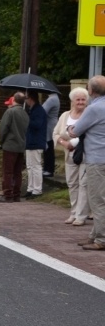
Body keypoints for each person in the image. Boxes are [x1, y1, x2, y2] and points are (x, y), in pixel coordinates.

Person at [68, 75, 105, 250]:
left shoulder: (94, 108)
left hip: (97, 158)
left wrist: (70, 128)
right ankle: (94, 235)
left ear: (91, 91)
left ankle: (101, 239)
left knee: (97, 200)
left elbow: (75, 131)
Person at [53, 87, 90, 226]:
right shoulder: (65, 115)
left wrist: (74, 142)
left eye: (83, 99)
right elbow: (55, 133)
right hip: (69, 154)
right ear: (72, 101)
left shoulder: (89, 114)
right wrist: (64, 143)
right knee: (72, 184)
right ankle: (73, 213)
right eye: (78, 99)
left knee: (84, 184)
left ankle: (81, 216)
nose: (80, 102)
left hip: (86, 154)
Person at [0, 92, 29, 203]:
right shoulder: (25, 113)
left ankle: (7, 195)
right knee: (17, 172)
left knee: (7, 171)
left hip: (10, 145)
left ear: (14, 99)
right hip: (21, 145)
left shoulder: (10, 112)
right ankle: (16, 194)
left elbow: (3, 128)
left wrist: (1, 141)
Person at [24, 90, 48, 199]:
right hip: (30, 141)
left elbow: (37, 124)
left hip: (36, 142)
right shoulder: (32, 110)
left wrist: (27, 119)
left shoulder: (39, 110)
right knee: (30, 166)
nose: (25, 100)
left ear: (31, 98)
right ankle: (30, 188)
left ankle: (37, 189)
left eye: (26, 98)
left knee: (36, 166)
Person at [42, 92, 60, 178]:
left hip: (49, 126)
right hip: (51, 124)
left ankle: (49, 169)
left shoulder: (52, 99)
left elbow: (43, 110)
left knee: (48, 147)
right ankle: (47, 168)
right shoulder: (54, 98)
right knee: (48, 147)